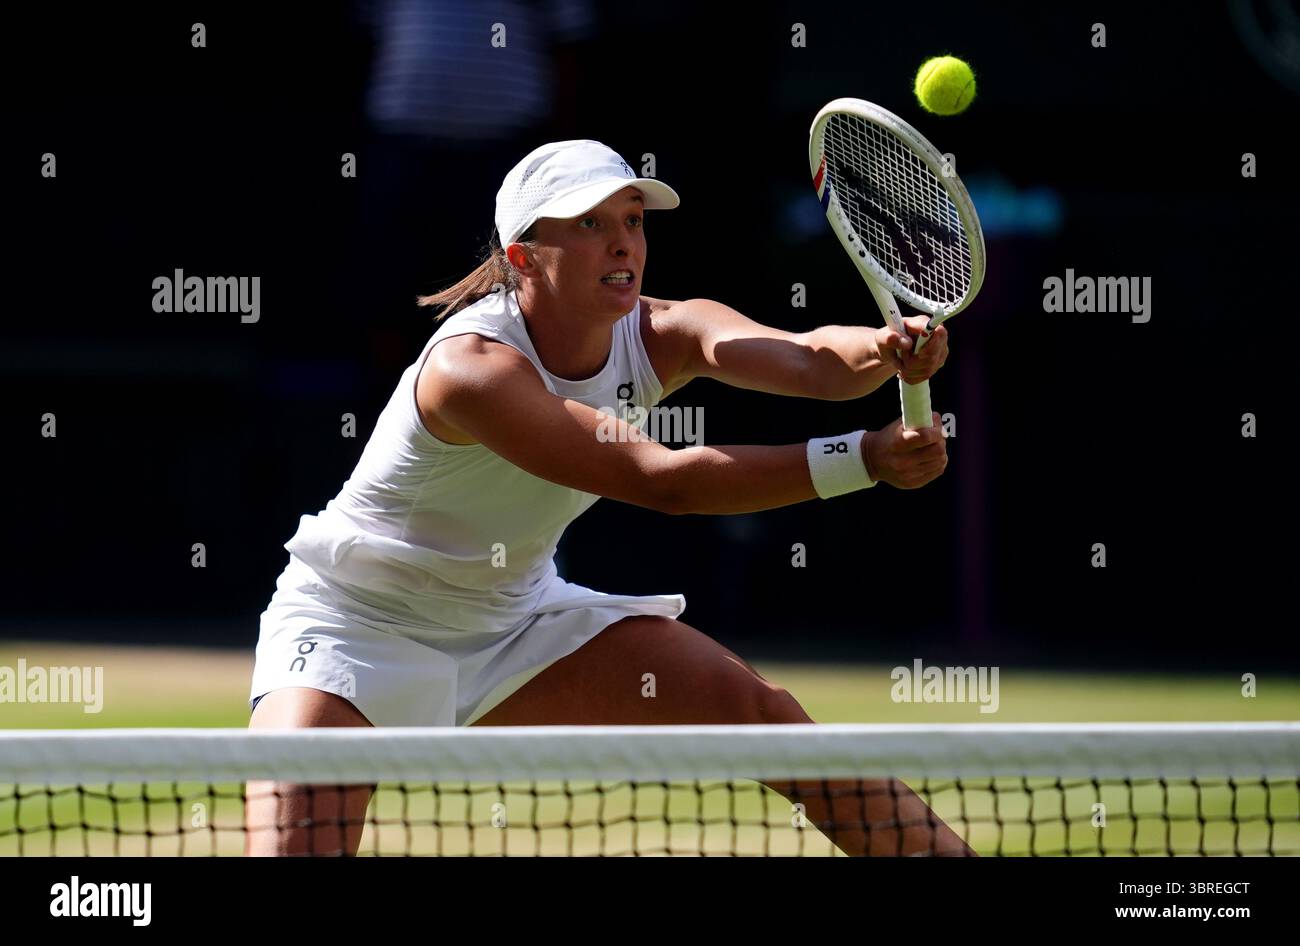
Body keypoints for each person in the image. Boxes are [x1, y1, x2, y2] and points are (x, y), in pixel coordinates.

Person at [245, 139, 965, 856]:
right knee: (293, 850)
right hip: (353, 625)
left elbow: (809, 361)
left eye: (632, 220)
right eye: (589, 224)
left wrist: (881, 349)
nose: (622, 243)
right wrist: (862, 459)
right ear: (523, 256)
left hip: (515, 622)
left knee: (765, 716)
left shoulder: (663, 330)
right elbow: (665, 482)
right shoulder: (472, 370)